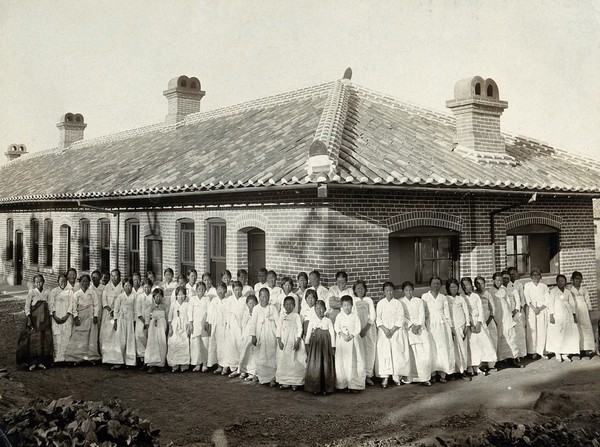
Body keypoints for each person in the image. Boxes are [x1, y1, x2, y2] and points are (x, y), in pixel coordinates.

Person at [375, 281, 409, 388]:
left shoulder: (398, 303)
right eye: (387, 291)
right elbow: (378, 318)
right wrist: (385, 330)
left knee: (396, 353)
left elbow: (401, 318)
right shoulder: (380, 303)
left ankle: (396, 377)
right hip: (384, 332)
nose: (389, 293)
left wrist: (393, 329)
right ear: (384, 292)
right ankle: (385, 377)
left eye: (391, 290)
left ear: (393, 291)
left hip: (396, 331)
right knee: (384, 353)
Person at [422, 276, 455, 383]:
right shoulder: (425, 296)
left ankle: (443, 374)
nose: (436, 285)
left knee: (443, 348)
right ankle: (432, 374)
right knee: (432, 349)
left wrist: (450, 327)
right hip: (430, 324)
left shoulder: (443, 298)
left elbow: (447, 314)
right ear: (430, 285)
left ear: (440, 286)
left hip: (442, 326)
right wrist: (424, 326)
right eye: (433, 283)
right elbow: (423, 313)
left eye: (438, 284)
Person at [17, 274, 53, 370]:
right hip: (34, 319)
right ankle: (32, 363)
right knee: (33, 339)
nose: (38, 283)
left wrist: (50, 317)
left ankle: (41, 362)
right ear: (34, 283)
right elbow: (27, 306)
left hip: (44, 319)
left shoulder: (47, 292)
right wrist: (28, 318)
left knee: (43, 340)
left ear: (43, 282)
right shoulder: (31, 292)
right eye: (36, 282)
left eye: (40, 281)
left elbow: (50, 306)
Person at [462, 277, 496, 376]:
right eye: (463, 285)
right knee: (472, 346)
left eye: (467, 284)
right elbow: (466, 312)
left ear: (471, 285)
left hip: (479, 323)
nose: (466, 287)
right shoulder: (463, 297)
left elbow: (480, 310)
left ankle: (481, 365)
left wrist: (479, 323)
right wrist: (471, 324)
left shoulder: (476, 296)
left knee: (483, 343)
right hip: (470, 324)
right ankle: (471, 367)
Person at [400, 281, 432, 386]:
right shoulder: (400, 302)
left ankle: (424, 378)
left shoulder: (419, 301)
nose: (408, 292)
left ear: (413, 290)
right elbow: (402, 316)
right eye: (406, 290)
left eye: (410, 290)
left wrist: (418, 325)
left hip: (420, 328)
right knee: (411, 353)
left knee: (423, 353)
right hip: (408, 329)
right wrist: (411, 325)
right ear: (403, 291)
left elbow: (422, 314)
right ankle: (410, 378)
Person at [64, 274, 101, 364]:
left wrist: (95, 316)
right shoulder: (77, 294)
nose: (85, 283)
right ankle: (76, 358)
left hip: (91, 317)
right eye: (83, 281)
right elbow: (74, 307)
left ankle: (91, 357)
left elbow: (96, 304)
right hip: (81, 317)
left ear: (89, 283)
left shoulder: (92, 293)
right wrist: (76, 317)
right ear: (80, 283)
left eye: (87, 282)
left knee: (90, 336)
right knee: (78, 335)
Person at [490, 272, 523, 368]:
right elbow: (491, 306)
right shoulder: (491, 291)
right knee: (500, 337)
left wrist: (511, 314)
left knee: (510, 336)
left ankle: (512, 359)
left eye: (501, 280)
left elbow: (508, 303)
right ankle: (500, 360)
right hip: (498, 317)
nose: (500, 282)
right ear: (493, 281)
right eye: (497, 280)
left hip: (507, 316)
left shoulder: (504, 289)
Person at [304, 300, 336, 395]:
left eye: (322, 308)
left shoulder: (328, 321)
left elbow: (332, 334)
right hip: (316, 347)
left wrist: (333, 346)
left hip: (326, 347)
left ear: (325, 309)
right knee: (316, 365)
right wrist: (307, 345)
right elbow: (308, 333)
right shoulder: (312, 321)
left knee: (325, 365)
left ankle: (326, 388)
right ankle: (315, 387)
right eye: (317, 309)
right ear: (314, 310)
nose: (320, 311)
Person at [334, 295, 365, 392]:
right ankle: (343, 385)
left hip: (353, 342)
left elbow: (358, 328)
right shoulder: (339, 316)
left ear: (352, 306)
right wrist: (343, 335)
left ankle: (354, 385)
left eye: (349, 305)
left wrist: (351, 335)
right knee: (342, 363)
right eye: (345, 306)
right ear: (341, 307)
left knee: (353, 362)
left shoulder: (355, 316)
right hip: (343, 342)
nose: (347, 308)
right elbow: (336, 327)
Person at [249, 288, 279, 386]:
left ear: (269, 297)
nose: (264, 299)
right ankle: (260, 375)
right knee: (259, 355)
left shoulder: (273, 308)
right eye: (262, 297)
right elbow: (253, 323)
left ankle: (271, 377)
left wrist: (278, 335)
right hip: (260, 334)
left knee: (271, 354)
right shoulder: (256, 308)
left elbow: (278, 322)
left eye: (266, 297)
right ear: (259, 297)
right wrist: (253, 335)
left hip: (271, 334)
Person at [547, 274, 580, 362]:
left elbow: (572, 304)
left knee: (567, 333)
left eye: (562, 281)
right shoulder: (553, 291)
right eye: (559, 281)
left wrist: (574, 315)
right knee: (558, 333)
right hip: (557, 315)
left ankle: (565, 353)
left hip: (567, 314)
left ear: (565, 282)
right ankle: (558, 353)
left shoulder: (568, 292)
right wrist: (551, 315)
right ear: (556, 282)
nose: (560, 282)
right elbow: (550, 303)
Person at [276, 296, 306, 390]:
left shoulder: (297, 316)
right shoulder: (281, 317)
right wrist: (279, 341)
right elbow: (278, 329)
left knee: (295, 360)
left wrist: (297, 341)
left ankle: (295, 382)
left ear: (294, 306)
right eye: (286, 304)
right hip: (284, 342)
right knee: (284, 360)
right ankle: (285, 381)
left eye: (291, 304)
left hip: (294, 341)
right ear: (284, 305)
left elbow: (300, 328)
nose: (288, 306)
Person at [107, 277, 137, 370]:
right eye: (126, 285)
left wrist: (135, 321)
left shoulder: (135, 296)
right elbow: (116, 309)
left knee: (130, 340)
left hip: (130, 320)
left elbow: (136, 310)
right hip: (121, 319)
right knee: (120, 340)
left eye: (129, 285)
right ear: (123, 286)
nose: (128, 287)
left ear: (132, 286)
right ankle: (119, 361)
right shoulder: (120, 297)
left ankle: (130, 361)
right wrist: (115, 321)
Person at [445, 278, 471, 381]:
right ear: (448, 288)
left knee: (462, 349)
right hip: (451, 327)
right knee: (452, 350)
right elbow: (446, 314)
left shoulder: (461, 299)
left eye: (455, 287)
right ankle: (453, 372)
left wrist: (467, 325)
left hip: (461, 326)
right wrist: (450, 328)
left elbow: (466, 312)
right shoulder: (446, 299)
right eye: (451, 287)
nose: (453, 289)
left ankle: (463, 371)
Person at [352, 280, 377, 386]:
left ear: (365, 289)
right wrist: (358, 330)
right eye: (358, 288)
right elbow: (352, 316)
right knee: (359, 352)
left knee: (369, 351)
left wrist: (366, 329)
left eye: (362, 288)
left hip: (368, 329)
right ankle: (359, 376)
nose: (360, 290)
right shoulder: (353, 300)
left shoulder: (369, 300)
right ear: (354, 290)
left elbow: (372, 316)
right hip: (357, 329)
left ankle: (368, 376)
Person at [523, 269, 549, 359]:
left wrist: (540, 308)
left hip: (542, 310)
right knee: (532, 330)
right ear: (530, 277)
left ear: (540, 276)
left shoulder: (544, 286)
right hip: (531, 310)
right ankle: (532, 351)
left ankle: (541, 351)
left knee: (542, 330)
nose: (535, 276)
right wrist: (534, 308)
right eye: (533, 275)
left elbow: (547, 299)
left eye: (537, 275)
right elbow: (527, 297)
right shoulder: (527, 285)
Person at [568, 271, 595, 357]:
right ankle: (578, 350)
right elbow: (570, 303)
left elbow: (588, 302)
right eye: (576, 279)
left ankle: (587, 349)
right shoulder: (570, 290)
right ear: (572, 280)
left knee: (586, 328)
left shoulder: (584, 290)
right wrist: (572, 313)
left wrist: (589, 312)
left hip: (584, 311)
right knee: (577, 329)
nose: (578, 281)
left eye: (580, 279)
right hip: (575, 310)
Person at [48, 273, 73, 363]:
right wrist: (54, 316)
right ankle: (56, 358)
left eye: (65, 281)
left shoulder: (70, 291)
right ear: (58, 281)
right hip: (57, 316)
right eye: (61, 281)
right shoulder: (54, 291)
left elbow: (71, 304)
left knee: (66, 335)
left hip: (66, 316)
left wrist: (66, 316)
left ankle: (64, 358)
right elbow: (51, 305)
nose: (63, 283)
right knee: (57, 336)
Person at [221, 281, 243, 376]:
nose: (237, 292)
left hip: (241, 326)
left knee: (240, 346)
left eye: (239, 290)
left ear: (242, 289)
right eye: (235, 290)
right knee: (231, 346)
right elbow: (225, 312)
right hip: (231, 326)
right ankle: (230, 366)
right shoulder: (229, 300)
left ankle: (239, 368)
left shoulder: (244, 299)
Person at [167, 286, 191, 372]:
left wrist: (188, 328)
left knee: (184, 344)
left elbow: (189, 317)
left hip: (184, 327)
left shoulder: (187, 304)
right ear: (176, 295)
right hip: (174, 327)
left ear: (185, 295)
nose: (181, 297)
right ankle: (175, 364)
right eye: (179, 295)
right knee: (174, 344)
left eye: (182, 295)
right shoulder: (173, 304)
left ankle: (183, 365)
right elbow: (169, 317)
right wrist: (170, 328)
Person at [100, 269, 123, 361]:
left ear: (119, 276)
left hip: (118, 313)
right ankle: (106, 356)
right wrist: (109, 309)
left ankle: (116, 358)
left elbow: (123, 300)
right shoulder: (107, 287)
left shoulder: (122, 287)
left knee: (116, 335)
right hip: (108, 312)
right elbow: (104, 299)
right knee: (107, 334)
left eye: (116, 276)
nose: (114, 278)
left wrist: (115, 310)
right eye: (112, 276)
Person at [145, 288, 168, 373]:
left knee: (161, 343)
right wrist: (147, 328)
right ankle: (152, 364)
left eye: (160, 296)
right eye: (156, 296)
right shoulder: (151, 306)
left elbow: (167, 317)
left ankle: (161, 364)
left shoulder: (165, 306)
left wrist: (167, 328)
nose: (158, 298)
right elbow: (147, 318)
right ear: (154, 297)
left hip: (162, 326)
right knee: (153, 344)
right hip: (153, 327)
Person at [189, 281, 210, 372]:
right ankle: (197, 364)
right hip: (195, 325)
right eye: (198, 289)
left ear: (205, 290)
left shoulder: (207, 299)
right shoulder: (193, 299)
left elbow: (209, 311)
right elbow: (190, 311)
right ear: (196, 290)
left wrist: (207, 321)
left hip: (204, 324)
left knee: (205, 344)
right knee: (196, 345)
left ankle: (205, 364)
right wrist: (190, 322)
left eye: (202, 289)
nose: (200, 291)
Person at [237, 295, 259, 381]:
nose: (252, 305)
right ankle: (243, 370)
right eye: (250, 303)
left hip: (253, 336)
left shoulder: (257, 313)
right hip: (246, 335)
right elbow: (243, 324)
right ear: (247, 304)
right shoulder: (245, 313)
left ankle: (252, 372)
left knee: (253, 355)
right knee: (244, 353)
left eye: (254, 303)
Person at [207, 282, 227, 374]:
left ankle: (225, 366)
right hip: (215, 325)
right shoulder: (214, 301)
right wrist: (209, 325)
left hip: (224, 326)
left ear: (225, 290)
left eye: (222, 289)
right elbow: (210, 314)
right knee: (217, 346)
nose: (220, 291)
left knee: (224, 346)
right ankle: (219, 366)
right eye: (218, 289)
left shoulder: (227, 301)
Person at [475, 276, 498, 353]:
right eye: (478, 284)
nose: (480, 285)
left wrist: (488, 321)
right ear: (475, 285)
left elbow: (493, 309)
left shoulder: (487, 294)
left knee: (492, 339)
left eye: (482, 283)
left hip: (488, 320)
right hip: (478, 321)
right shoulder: (474, 294)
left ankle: (492, 362)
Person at [135, 279, 155, 367]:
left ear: (151, 287)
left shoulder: (153, 297)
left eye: (149, 287)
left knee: (148, 339)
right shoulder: (139, 297)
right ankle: (141, 359)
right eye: (145, 287)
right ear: (143, 287)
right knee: (139, 337)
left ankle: (148, 360)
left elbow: (154, 309)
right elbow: (137, 309)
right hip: (141, 321)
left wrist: (149, 321)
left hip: (150, 321)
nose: (147, 289)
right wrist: (143, 321)